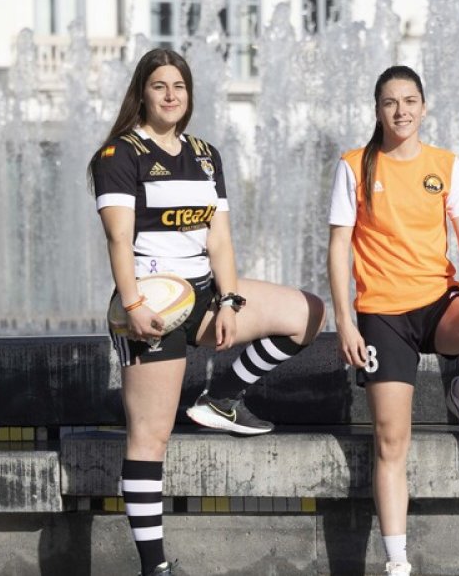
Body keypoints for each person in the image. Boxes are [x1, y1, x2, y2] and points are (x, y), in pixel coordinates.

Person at [88, 48, 326, 576]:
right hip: (151, 301)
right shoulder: (119, 154)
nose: (171, 95)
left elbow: (219, 238)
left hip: (203, 291)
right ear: (142, 94)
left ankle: (221, 399)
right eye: (160, 86)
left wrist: (229, 300)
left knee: (308, 313)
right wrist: (132, 306)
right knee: (150, 438)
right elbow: (118, 238)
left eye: (180, 86)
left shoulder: (204, 153)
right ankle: (156, 566)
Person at [326, 65, 459, 576]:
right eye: (391, 102)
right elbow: (339, 246)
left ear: (424, 106)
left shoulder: (445, 164)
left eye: (410, 101)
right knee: (391, 439)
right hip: (382, 314)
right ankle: (397, 562)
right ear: (378, 109)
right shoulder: (355, 166)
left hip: (437, 301)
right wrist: (345, 320)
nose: (401, 111)